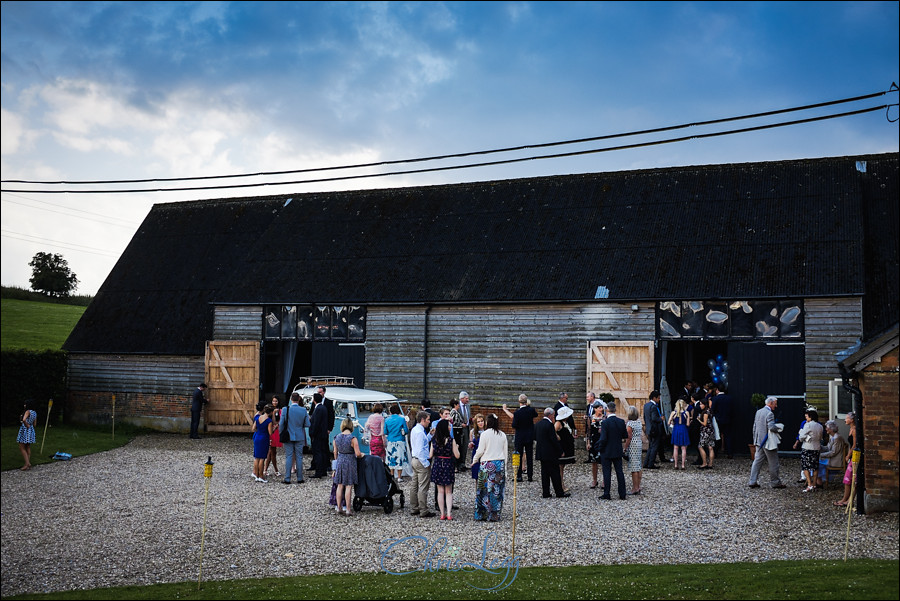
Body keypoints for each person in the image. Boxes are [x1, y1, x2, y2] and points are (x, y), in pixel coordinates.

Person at [473, 413, 509, 522]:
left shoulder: (485, 434)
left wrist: (475, 460)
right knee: (496, 491)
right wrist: (505, 468)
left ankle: (481, 514)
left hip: (486, 464)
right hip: (499, 463)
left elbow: (480, 450)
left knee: (483, 490)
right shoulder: (502, 435)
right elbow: (505, 453)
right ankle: (494, 515)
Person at [748, 396, 786, 489]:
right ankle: (775, 482)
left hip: (758, 441)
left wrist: (755, 440)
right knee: (773, 462)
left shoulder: (758, 412)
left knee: (757, 461)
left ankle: (752, 481)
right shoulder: (769, 413)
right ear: (771, 403)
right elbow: (771, 427)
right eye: (775, 404)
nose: (776, 406)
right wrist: (779, 428)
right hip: (768, 442)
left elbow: (755, 427)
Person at [502, 394, 538, 482]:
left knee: (518, 455)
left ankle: (519, 476)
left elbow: (514, 425)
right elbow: (536, 415)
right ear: (526, 401)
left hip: (520, 437)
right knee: (529, 456)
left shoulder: (517, 413)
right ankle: (530, 476)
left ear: (519, 402)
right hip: (529, 436)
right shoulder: (531, 410)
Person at [333, 417, 365, 516]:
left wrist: (337, 460)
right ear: (351, 426)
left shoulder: (336, 437)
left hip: (340, 461)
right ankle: (348, 509)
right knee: (348, 486)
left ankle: (338, 507)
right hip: (350, 462)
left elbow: (335, 451)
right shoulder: (353, 438)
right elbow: (358, 453)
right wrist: (362, 455)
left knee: (340, 485)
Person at [430, 419, 460, 520]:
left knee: (440, 491)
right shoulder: (451, 440)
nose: (450, 427)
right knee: (448, 491)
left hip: (438, 464)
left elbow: (430, 455)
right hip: (448, 465)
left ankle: (442, 513)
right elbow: (457, 455)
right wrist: (457, 448)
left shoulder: (434, 440)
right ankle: (449, 513)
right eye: (449, 425)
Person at [535, 408, 568, 498]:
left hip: (541, 452)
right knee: (555, 473)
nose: (554, 418)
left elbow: (535, 437)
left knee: (544, 474)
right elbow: (554, 440)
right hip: (550, 453)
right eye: (553, 416)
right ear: (550, 415)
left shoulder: (538, 424)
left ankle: (546, 492)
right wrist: (560, 451)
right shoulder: (549, 425)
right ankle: (559, 492)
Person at [598, 401, 628, 500]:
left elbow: (603, 438)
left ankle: (607, 493)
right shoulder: (621, 421)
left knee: (607, 472)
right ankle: (622, 494)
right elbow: (625, 435)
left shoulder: (605, 423)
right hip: (617, 449)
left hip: (607, 450)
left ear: (607, 410)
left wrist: (600, 448)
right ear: (615, 409)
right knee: (619, 472)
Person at [409, 411, 435, 517]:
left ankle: (414, 507)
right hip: (420, 460)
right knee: (423, 486)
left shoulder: (416, 430)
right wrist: (426, 463)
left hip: (414, 459)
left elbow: (422, 443)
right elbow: (420, 450)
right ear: (423, 420)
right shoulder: (419, 432)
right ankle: (423, 510)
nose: (429, 422)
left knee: (414, 485)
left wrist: (430, 435)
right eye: (428, 419)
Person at [280, 392, 310, 484]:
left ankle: (287, 478)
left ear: (291, 399)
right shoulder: (303, 410)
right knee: (299, 457)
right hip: (299, 435)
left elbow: (281, 423)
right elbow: (307, 424)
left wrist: (281, 433)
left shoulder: (285, 409)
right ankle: (300, 478)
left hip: (288, 435)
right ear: (299, 399)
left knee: (289, 456)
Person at [795, 408, 823, 493]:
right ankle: (814, 484)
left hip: (807, 447)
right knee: (815, 466)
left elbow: (801, 437)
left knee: (806, 466)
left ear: (810, 417)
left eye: (806, 417)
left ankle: (809, 484)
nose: (806, 418)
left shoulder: (808, 425)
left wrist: (803, 435)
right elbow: (821, 437)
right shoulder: (820, 426)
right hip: (817, 448)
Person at [834, 412, 858, 507]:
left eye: (847, 418)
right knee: (848, 479)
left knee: (851, 479)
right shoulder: (851, 429)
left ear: (852, 420)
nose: (845, 420)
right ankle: (845, 499)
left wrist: (848, 455)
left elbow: (855, 445)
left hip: (855, 457)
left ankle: (849, 500)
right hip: (852, 457)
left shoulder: (855, 430)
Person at [384, 404, 410, 482]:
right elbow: (406, 430)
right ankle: (399, 477)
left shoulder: (387, 420)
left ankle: (392, 475)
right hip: (400, 440)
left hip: (391, 440)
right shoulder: (401, 419)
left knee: (391, 457)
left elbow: (385, 431)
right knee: (400, 458)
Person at [816, 420, 846, 488]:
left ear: (831, 429)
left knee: (816, 462)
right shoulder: (833, 437)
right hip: (832, 458)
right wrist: (819, 447)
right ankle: (817, 481)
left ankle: (819, 482)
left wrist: (820, 455)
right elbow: (828, 448)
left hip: (835, 461)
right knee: (816, 460)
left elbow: (833, 452)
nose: (826, 429)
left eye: (827, 427)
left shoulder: (837, 438)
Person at [251, 404, 275, 483]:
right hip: (264, 438)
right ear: (271, 412)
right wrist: (275, 428)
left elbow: (253, 428)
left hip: (257, 437)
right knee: (262, 458)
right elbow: (270, 433)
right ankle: (261, 476)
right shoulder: (269, 421)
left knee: (256, 457)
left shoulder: (258, 418)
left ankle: (256, 474)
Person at [555, 406, 576, 494]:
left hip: (567, 446)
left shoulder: (565, 422)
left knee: (562, 467)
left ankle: (561, 483)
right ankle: (560, 485)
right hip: (562, 447)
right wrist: (557, 436)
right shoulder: (558, 423)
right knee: (560, 467)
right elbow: (553, 431)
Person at [710, 384, 735, 458]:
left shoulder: (715, 399)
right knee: (728, 436)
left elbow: (713, 409)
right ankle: (729, 453)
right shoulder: (729, 398)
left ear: (717, 390)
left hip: (718, 420)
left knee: (717, 436)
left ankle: (715, 453)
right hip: (728, 419)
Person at [309, 393, 330, 478]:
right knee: (323, 452)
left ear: (314, 400)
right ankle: (323, 470)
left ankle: (319, 471)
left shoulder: (318, 409)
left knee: (318, 453)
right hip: (323, 434)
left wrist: (312, 433)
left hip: (318, 434)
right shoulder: (323, 408)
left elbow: (316, 423)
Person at [624, 405, 643, 495]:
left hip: (633, 445)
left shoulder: (630, 424)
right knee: (638, 465)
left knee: (634, 467)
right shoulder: (638, 422)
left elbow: (629, 437)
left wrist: (625, 447)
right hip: (639, 443)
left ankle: (635, 488)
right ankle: (638, 486)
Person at [643, 390, 664, 469]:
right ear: (654, 398)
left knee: (651, 446)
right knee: (654, 447)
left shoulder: (646, 405)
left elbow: (645, 417)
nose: (659, 400)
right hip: (654, 429)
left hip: (649, 428)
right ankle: (651, 464)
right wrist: (661, 419)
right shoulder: (654, 406)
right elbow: (654, 418)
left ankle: (646, 463)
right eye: (658, 398)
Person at [586, 401, 605, 489]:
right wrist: (588, 442)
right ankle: (594, 480)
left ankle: (604, 480)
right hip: (594, 440)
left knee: (603, 461)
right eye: (599, 408)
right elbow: (589, 431)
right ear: (595, 409)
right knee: (594, 462)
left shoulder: (605, 418)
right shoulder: (590, 418)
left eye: (602, 407)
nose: (601, 409)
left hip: (602, 441)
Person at [668, 399, 691, 470]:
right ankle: (683, 465)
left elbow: (668, 423)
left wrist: (672, 422)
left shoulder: (673, 413)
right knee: (683, 448)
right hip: (683, 429)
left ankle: (675, 464)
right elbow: (688, 424)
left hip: (676, 429)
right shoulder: (686, 413)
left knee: (675, 448)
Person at [16, 401, 37, 471]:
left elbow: (24, 419)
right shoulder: (34, 413)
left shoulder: (28, 411)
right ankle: (27, 463)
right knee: (27, 446)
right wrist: (29, 425)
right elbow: (35, 424)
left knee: (22, 447)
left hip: (25, 430)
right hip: (31, 430)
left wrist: (26, 424)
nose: (24, 405)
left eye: (25, 404)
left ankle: (27, 463)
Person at [265, 395, 282, 478]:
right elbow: (271, 421)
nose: (274, 402)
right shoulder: (269, 410)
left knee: (272, 452)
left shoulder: (280, 410)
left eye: (276, 401)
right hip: (271, 431)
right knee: (272, 451)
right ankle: (275, 470)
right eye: (273, 401)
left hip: (277, 432)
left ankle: (265, 469)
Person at [696, 398, 716, 469]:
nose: (700, 406)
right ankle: (710, 464)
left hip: (705, 431)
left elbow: (704, 424)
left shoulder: (705, 413)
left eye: (701, 404)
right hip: (711, 431)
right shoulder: (710, 411)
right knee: (710, 447)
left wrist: (698, 420)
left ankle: (704, 463)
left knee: (700, 446)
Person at [457, 391, 473, 471]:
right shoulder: (457, 406)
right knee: (459, 445)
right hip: (459, 429)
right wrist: (460, 424)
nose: (468, 400)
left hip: (467, 428)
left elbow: (468, 416)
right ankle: (458, 464)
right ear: (462, 398)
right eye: (466, 398)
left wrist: (470, 420)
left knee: (465, 446)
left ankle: (463, 463)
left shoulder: (468, 406)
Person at [469, 413, 486, 480]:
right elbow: (471, 442)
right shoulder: (472, 432)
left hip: (485, 453)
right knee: (477, 476)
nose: (481, 423)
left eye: (482, 421)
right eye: (478, 421)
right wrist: (471, 444)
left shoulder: (487, 431)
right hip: (476, 453)